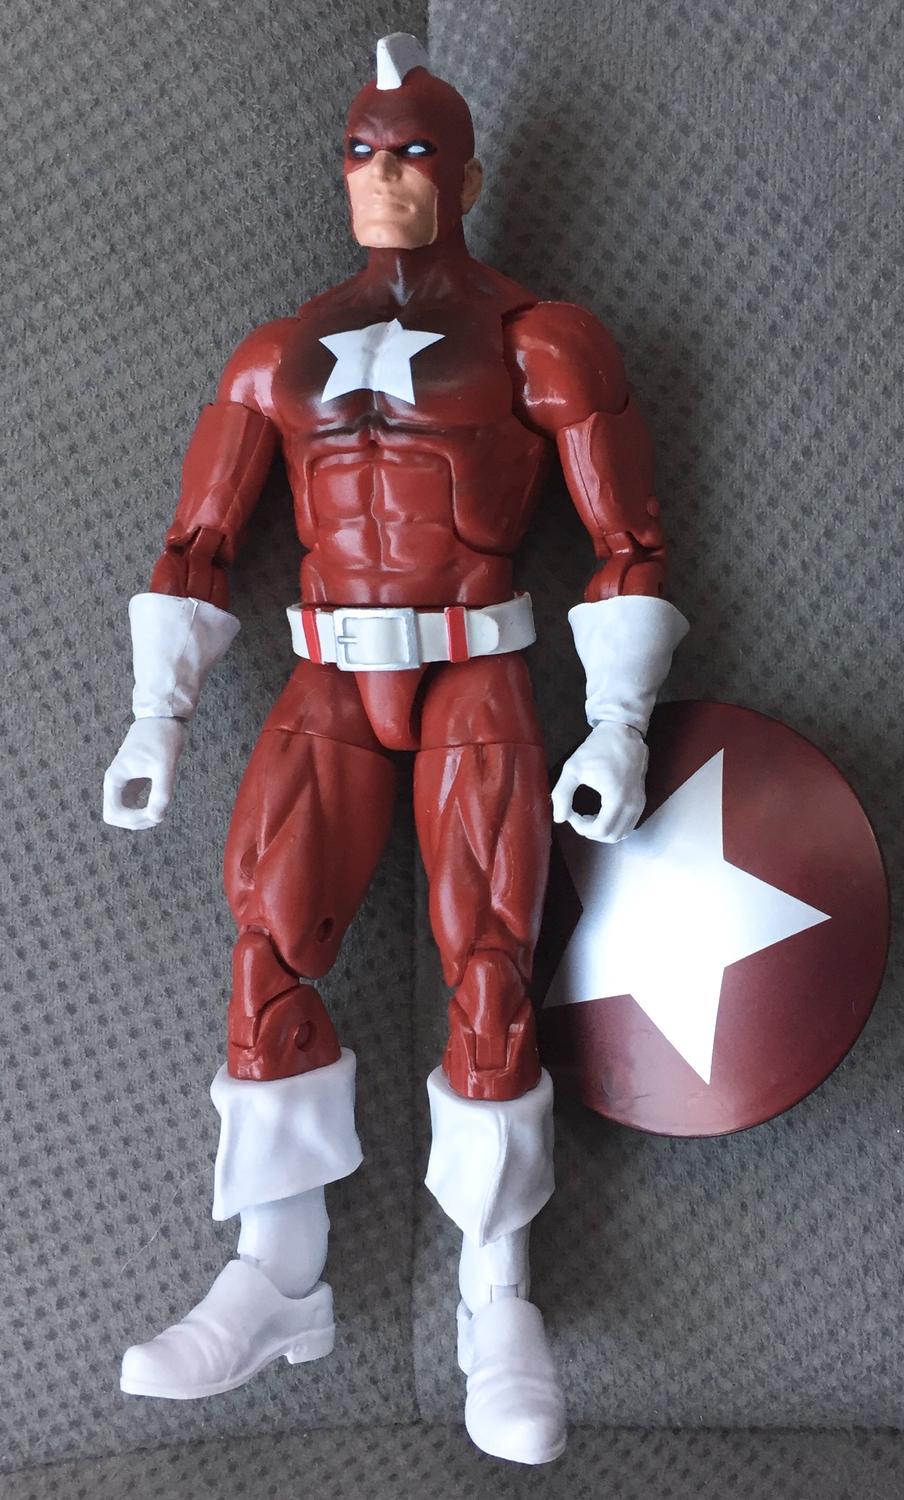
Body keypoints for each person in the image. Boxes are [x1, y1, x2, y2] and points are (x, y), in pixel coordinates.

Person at [103, 32, 688, 1466]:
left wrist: (617, 724)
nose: (385, 177)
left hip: (475, 667)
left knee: (489, 963)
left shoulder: (543, 340)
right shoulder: (276, 353)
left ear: (466, 177)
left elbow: (627, 540)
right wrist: (156, 715)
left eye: (415, 152)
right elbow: (197, 540)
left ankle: (497, 1299)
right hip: (326, 673)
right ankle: (278, 1276)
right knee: (266, 939)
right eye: (362, 153)